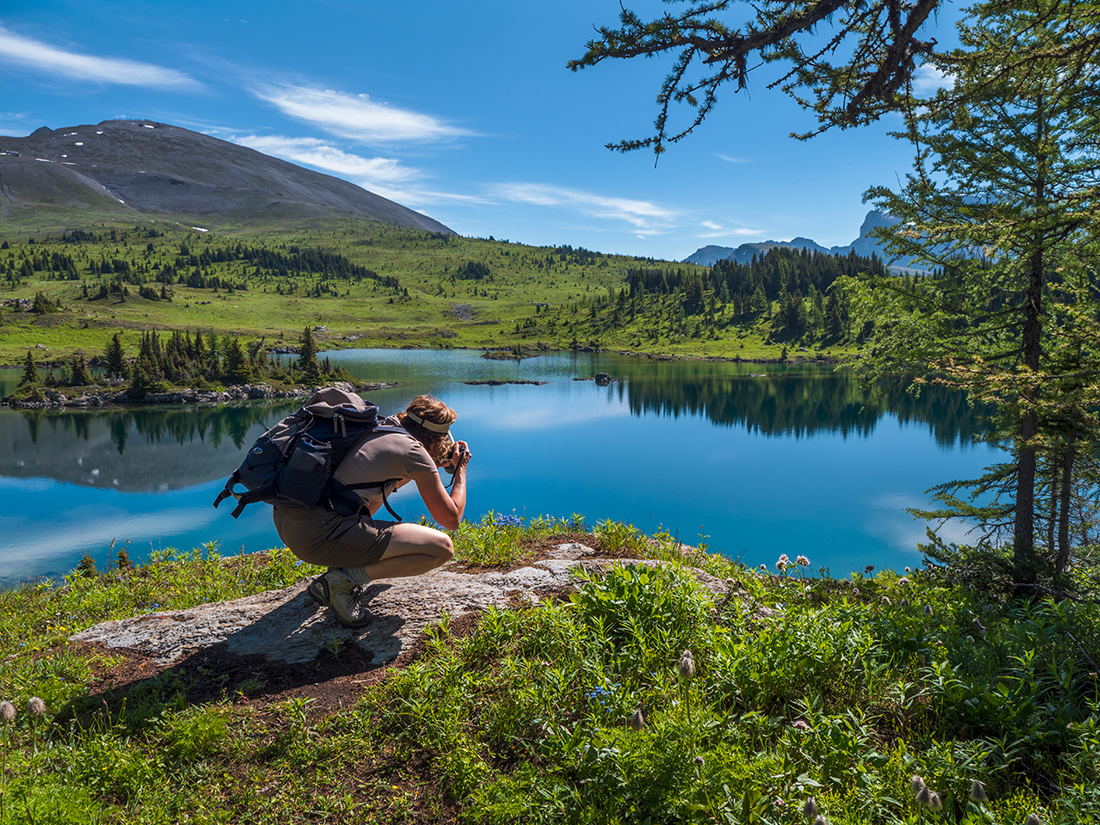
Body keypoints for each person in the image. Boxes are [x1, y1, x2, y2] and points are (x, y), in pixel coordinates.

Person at [273, 394, 471, 627]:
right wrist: (460, 471)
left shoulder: (380, 427)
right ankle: (342, 582)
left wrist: (433, 463)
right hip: (317, 536)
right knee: (440, 548)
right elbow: (451, 519)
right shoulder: (413, 452)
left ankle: (342, 564)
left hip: (290, 524)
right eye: (444, 438)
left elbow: (378, 486)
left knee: (363, 502)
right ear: (436, 437)